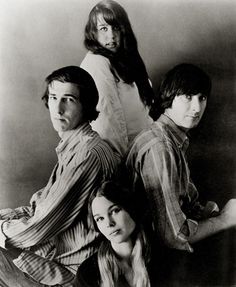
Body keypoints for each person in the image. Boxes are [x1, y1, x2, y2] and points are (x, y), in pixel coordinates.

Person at [0, 66, 120, 286]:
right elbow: (40, 206)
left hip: (77, 273)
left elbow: (39, 225)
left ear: (86, 105)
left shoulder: (87, 154)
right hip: (59, 257)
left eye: (69, 99)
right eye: (54, 97)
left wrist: (1, 229)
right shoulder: (74, 147)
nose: (58, 108)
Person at [126, 63, 236, 284]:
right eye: (187, 96)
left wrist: (211, 213)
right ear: (169, 97)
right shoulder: (160, 146)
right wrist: (224, 220)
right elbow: (173, 236)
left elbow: (183, 202)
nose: (196, 107)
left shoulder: (173, 138)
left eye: (201, 98)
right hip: (152, 258)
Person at [80, 0, 157, 157]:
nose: (111, 35)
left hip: (143, 149)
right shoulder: (96, 62)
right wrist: (121, 161)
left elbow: (145, 112)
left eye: (116, 28)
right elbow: (106, 118)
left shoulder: (127, 59)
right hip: (122, 155)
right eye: (103, 28)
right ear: (93, 33)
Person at [73, 181, 156, 287]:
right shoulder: (88, 273)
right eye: (100, 219)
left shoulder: (165, 258)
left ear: (131, 209)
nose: (109, 223)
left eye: (115, 211)